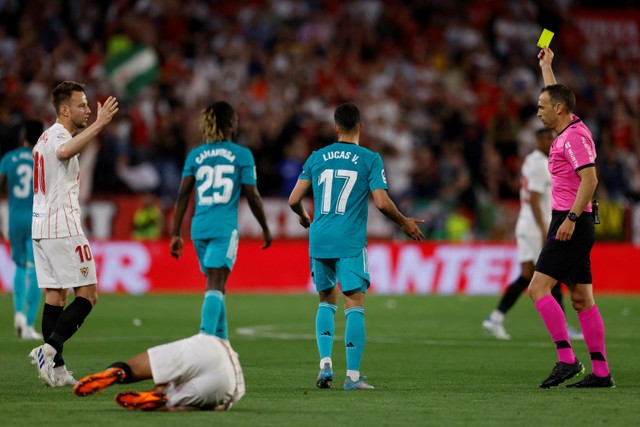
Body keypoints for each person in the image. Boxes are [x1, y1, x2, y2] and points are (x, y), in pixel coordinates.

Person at [288, 102, 425, 391]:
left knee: (326, 301)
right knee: (354, 305)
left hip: (320, 239)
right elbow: (381, 202)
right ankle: (352, 377)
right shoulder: (369, 159)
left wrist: (303, 217)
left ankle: (325, 364)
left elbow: (293, 199)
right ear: (361, 127)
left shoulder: (317, 157)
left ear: (335, 126)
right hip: (349, 241)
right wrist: (403, 223)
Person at [531, 47, 613, 388]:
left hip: (571, 222)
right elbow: (557, 98)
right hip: (572, 220)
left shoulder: (574, 138)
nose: (538, 111)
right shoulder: (569, 128)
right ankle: (601, 373)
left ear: (559, 110)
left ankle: (567, 359)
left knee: (538, 289)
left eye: (541, 107)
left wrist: (570, 218)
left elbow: (590, 180)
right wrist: (548, 68)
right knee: (581, 298)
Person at [28, 81, 119, 387]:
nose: (86, 109)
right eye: (81, 105)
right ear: (64, 109)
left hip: (40, 227)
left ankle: (56, 370)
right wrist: (100, 123)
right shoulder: (58, 137)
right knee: (89, 295)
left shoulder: (41, 139)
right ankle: (48, 350)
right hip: (62, 226)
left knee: (56, 296)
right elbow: (66, 150)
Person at [170, 101, 272, 339]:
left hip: (199, 228)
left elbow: (183, 194)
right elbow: (252, 195)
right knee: (215, 284)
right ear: (229, 124)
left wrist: (176, 233)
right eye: (235, 120)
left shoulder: (195, 154)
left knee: (216, 285)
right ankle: (205, 340)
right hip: (223, 228)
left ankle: (222, 343)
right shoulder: (241, 154)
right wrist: (265, 227)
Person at [483, 128, 583, 341]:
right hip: (536, 226)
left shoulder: (535, 161)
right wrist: (543, 229)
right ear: (537, 140)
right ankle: (563, 327)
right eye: (546, 138)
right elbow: (536, 198)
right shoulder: (538, 163)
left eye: (552, 138)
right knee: (551, 275)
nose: (550, 142)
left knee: (528, 275)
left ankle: (496, 317)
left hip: (527, 225)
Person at [73, 333, 244, 411]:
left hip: (212, 346)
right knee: (173, 401)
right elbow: (217, 408)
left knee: (139, 367)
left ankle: (118, 371)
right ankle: (161, 399)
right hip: (228, 386)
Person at [0, 120, 44, 340]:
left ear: (24, 134)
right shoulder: (41, 158)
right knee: (36, 269)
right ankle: (28, 325)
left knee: (18, 264)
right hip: (36, 217)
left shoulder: (9, 158)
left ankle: (18, 312)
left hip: (14, 217)